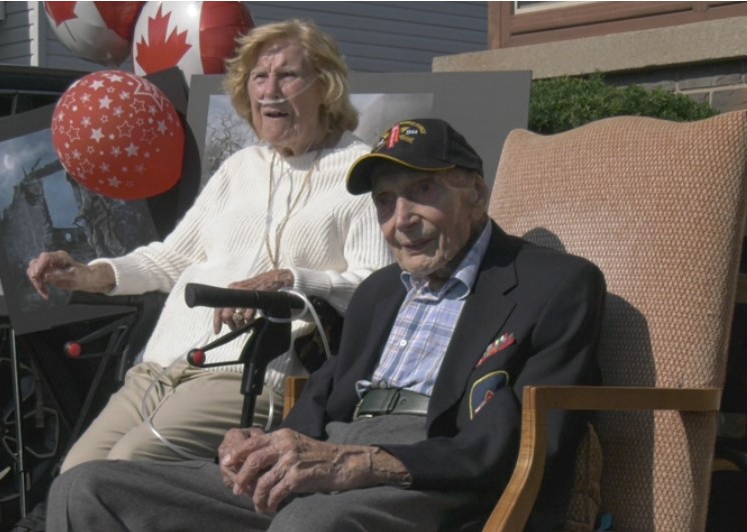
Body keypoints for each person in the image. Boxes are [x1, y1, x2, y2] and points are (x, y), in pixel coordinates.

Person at [44, 118, 608, 531]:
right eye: (385, 202)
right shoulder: (379, 292)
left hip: (433, 472)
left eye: (422, 191)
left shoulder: (552, 285)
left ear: (477, 195)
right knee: (86, 489)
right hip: (331, 456)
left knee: (307, 526)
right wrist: (261, 445)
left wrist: (362, 463)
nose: (401, 219)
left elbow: (521, 442)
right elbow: (325, 395)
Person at [26, 19, 390, 471]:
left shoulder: (360, 171)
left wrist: (289, 279)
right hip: (158, 369)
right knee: (75, 473)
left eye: (287, 75)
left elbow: (377, 287)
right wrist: (87, 274)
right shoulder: (241, 166)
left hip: (245, 377)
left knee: (131, 465)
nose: (269, 90)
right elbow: (171, 259)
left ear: (325, 87)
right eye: (259, 77)